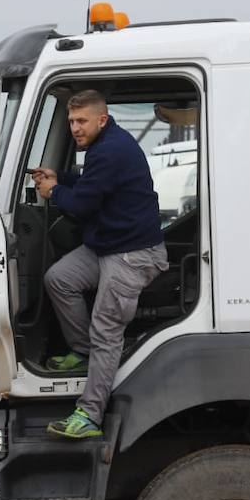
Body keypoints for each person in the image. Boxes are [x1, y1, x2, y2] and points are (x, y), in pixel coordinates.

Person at [32, 89, 168, 440]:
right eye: (72, 121)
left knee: (106, 330)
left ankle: (89, 415)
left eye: (81, 121)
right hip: (109, 245)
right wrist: (61, 177)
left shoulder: (109, 150)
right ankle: (83, 352)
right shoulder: (104, 146)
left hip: (132, 254)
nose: (75, 128)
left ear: (101, 120)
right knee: (59, 278)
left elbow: (82, 206)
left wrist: (53, 191)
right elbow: (93, 184)